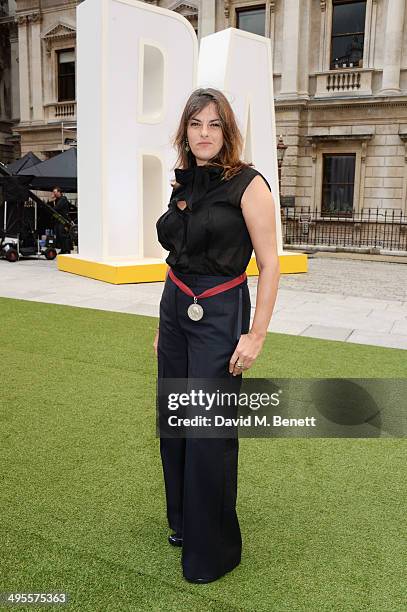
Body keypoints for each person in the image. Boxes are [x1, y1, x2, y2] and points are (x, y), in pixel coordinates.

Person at [155, 87, 280, 584]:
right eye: (195, 124)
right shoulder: (182, 182)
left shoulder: (249, 185)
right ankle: (184, 523)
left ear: (227, 132)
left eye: (214, 125)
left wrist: (255, 335)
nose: (204, 134)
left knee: (208, 433)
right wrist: (160, 327)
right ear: (184, 130)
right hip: (174, 308)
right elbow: (177, 255)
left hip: (222, 309)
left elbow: (270, 266)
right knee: (175, 422)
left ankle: (215, 550)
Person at [51, 186, 72, 254]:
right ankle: (63, 249)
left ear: (59, 192)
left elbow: (56, 208)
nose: (54, 194)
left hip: (63, 221)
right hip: (58, 220)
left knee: (63, 235)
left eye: (55, 192)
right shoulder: (57, 200)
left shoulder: (63, 199)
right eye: (53, 192)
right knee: (59, 235)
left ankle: (67, 250)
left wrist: (53, 200)